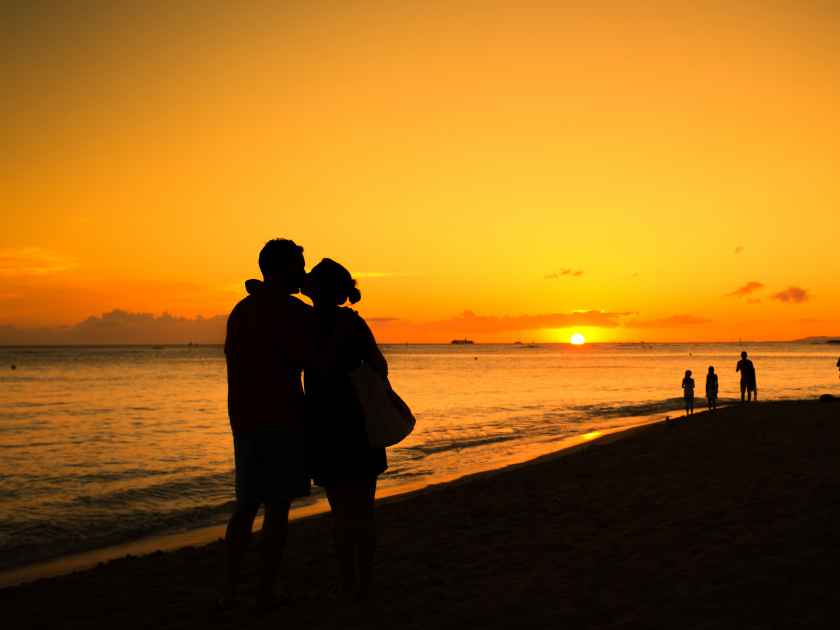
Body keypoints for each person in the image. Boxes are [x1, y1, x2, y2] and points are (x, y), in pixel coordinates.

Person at [222, 238, 314, 610]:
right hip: (282, 420)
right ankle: (264, 589)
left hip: (247, 420)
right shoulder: (293, 312)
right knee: (275, 508)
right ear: (282, 270)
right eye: (299, 266)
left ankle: (232, 589)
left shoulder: (244, 310)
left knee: (247, 504)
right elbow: (314, 356)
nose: (304, 272)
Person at [302, 258, 388, 602]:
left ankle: (349, 583)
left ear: (316, 290)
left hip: (325, 426)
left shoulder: (305, 324)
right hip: (359, 424)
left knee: (340, 512)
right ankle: (363, 584)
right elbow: (379, 366)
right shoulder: (353, 323)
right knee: (363, 509)